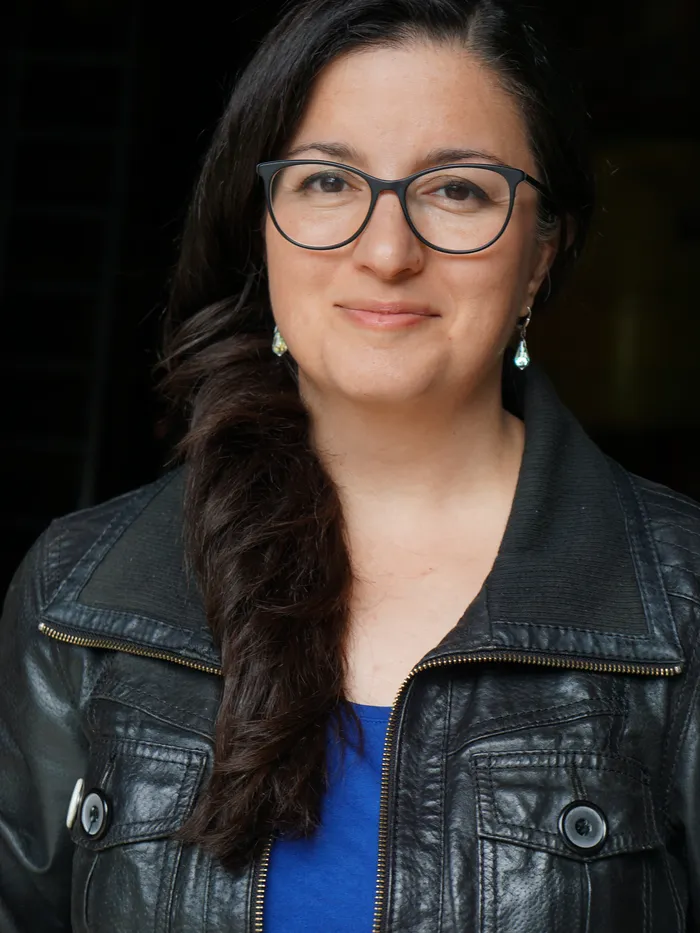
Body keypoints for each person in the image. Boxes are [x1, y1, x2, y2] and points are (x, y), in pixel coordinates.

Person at [1, 0, 699, 930]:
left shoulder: (684, 603)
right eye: (328, 182)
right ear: (263, 228)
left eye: (459, 191)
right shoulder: (77, 596)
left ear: (540, 254)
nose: (385, 251)